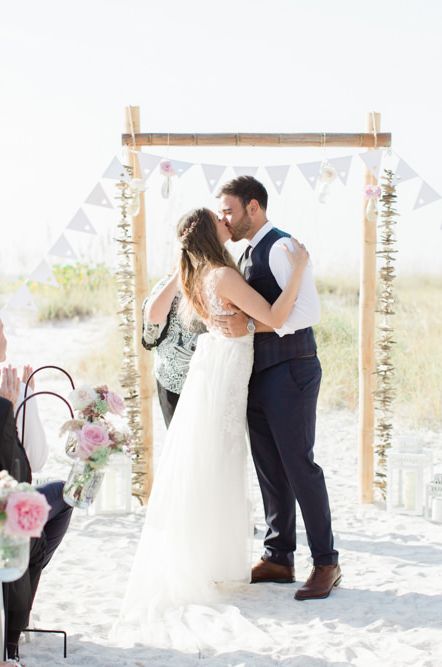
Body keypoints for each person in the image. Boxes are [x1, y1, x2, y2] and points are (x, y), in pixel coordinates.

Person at [114, 207, 308, 651]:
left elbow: (241, 320)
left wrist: (247, 321)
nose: (228, 222)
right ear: (210, 233)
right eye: (220, 220)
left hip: (216, 368)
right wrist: (296, 272)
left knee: (210, 463)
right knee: (218, 463)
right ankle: (208, 561)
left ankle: (207, 558)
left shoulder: (195, 275)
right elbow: (277, 319)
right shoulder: (220, 274)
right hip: (224, 373)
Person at [216, 176, 340, 601]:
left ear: (254, 207)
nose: (225, 219)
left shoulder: (283, 247)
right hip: (260, 372)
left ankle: (327, 562)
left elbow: (307, 313)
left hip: (292, 369)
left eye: (230, 210)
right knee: (270, 466)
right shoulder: (248, 253)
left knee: (299, 466)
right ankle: (278, 557)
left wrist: (250, 323)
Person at [0, 319, 73, 662]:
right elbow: (36, 460)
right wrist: (21, 404)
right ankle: (18, 619)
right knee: (65, 493)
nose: (5, 340)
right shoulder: (9, 388)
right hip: (7, 510)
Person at [142, 270, 204, 427]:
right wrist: (180, 273)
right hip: (171, 381)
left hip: (206, 381)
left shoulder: (221, 279)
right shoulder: (167, 284)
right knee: (178, 444)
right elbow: (152, 327)